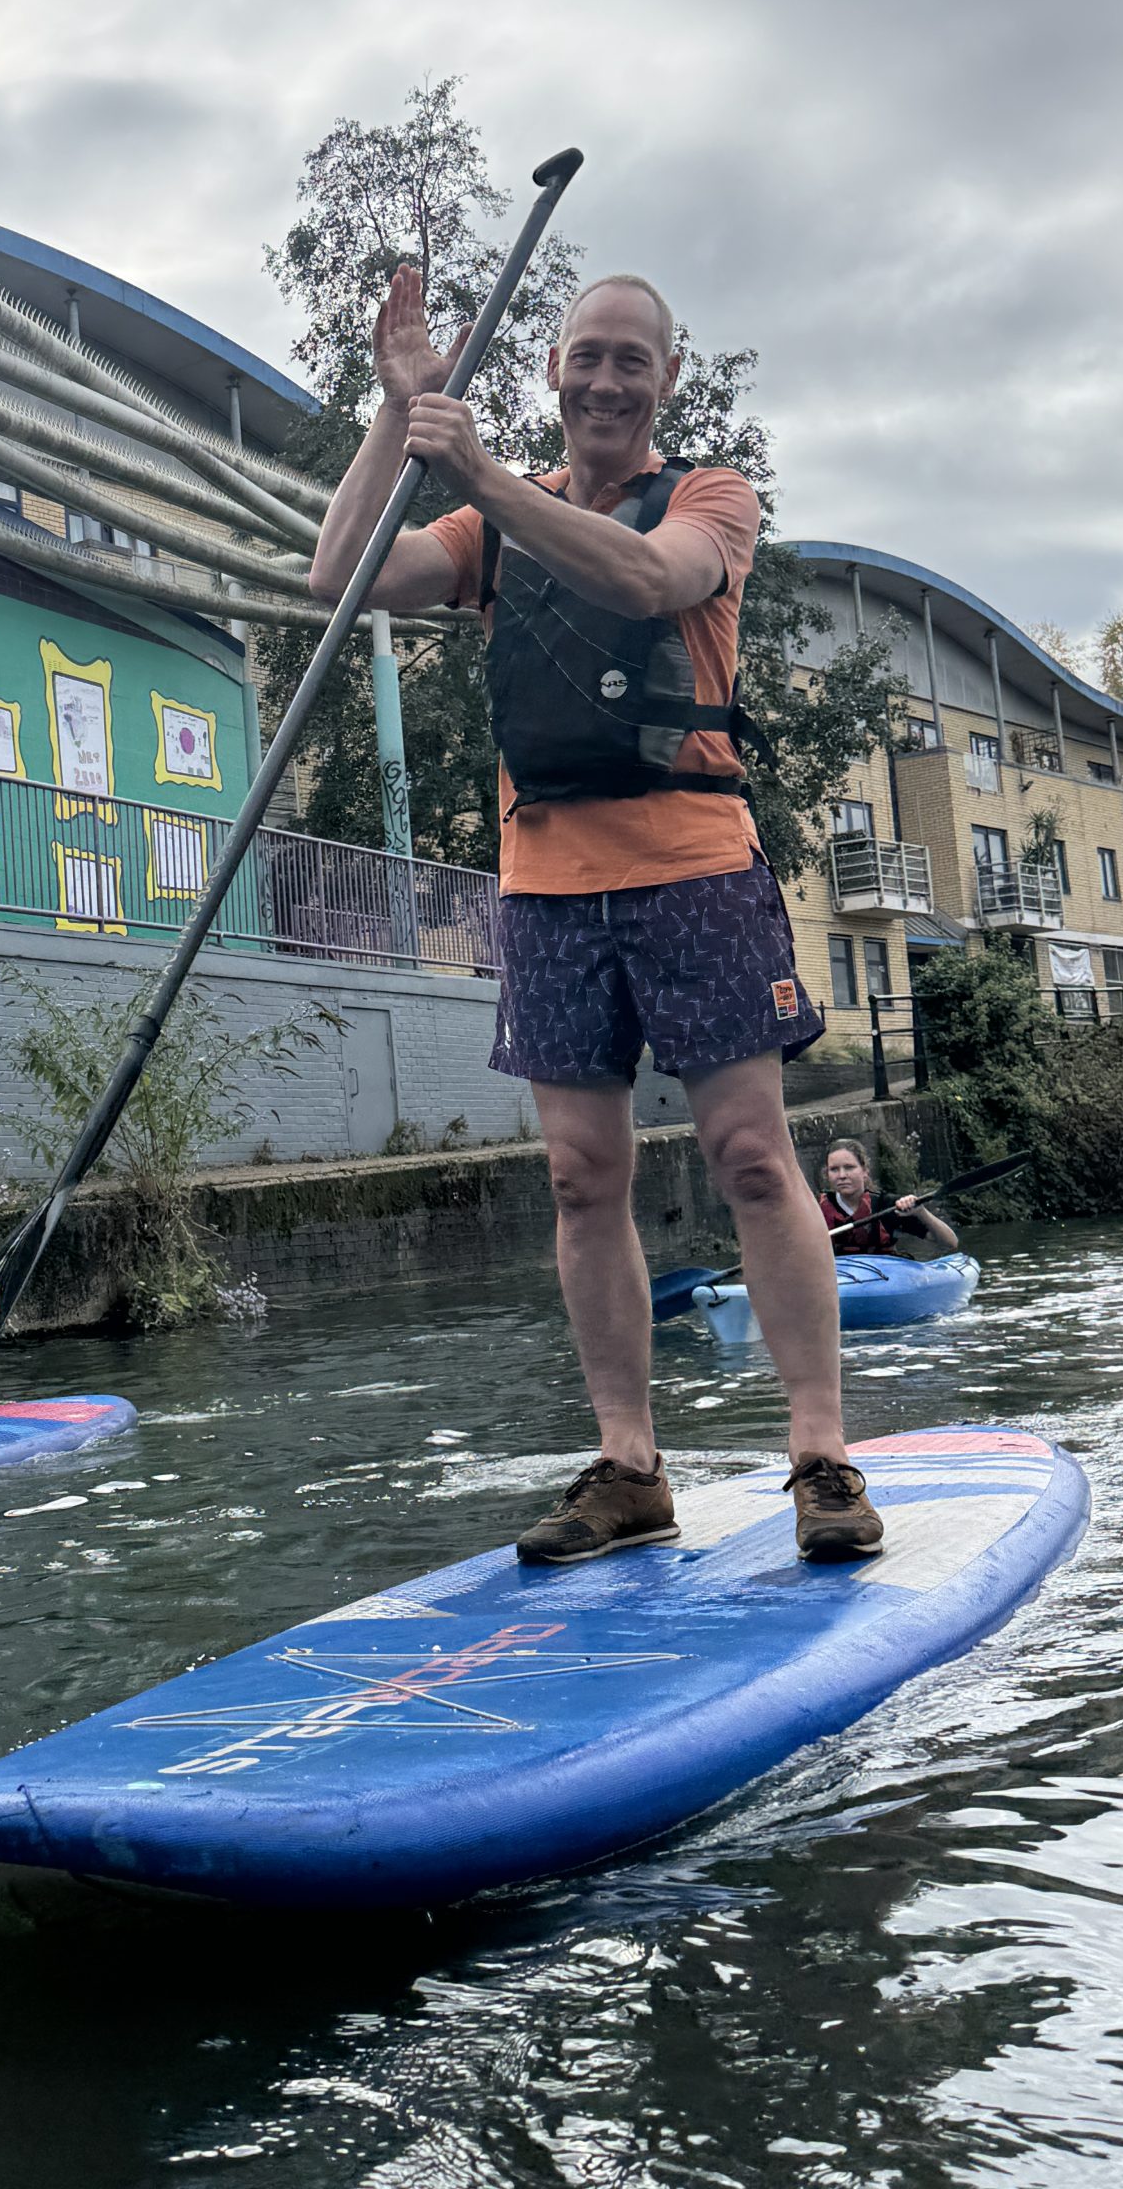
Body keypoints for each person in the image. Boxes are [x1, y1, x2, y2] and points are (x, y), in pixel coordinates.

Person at [308, 265, 884, 1563]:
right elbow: (339, 575)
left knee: (751, 1154)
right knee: (580, 1177)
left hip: (694, 867)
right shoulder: (489, 530)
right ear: (553, 371)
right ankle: (630, 1467)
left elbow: (642, 580)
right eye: (588, 356)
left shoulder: (711, 498)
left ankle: (821, 1455)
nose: (608, 380)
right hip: (548, 885)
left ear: (666, 378)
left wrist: (479, 472)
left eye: (634, 359)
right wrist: (399, 413)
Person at [820, 1139, 958, 1255]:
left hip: (882, 1273)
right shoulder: (816, 1209)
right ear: (827, 1174)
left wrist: (921, 1212)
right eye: (834, 1169)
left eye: (849, 1167)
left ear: (865, 1171)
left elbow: (950, 1243)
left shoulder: (888, 1206)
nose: (842, 1175)